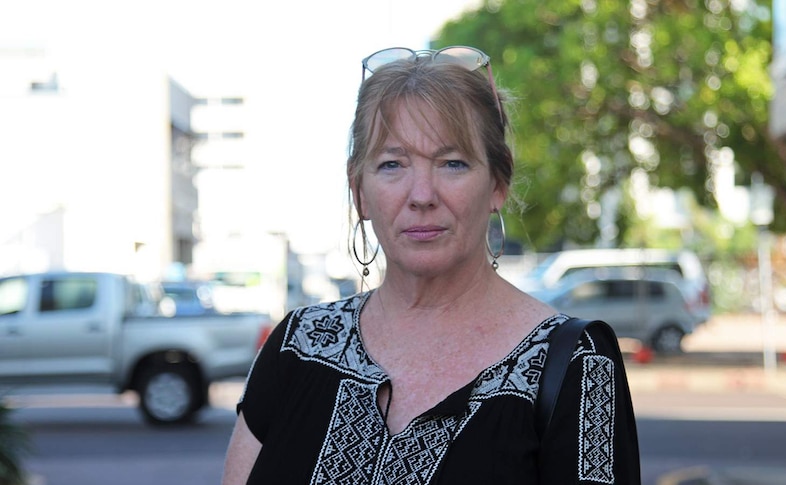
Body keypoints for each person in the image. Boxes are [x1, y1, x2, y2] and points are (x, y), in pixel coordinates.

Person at [222, 45, 640, 485]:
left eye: (452, 163)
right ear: (359, 191)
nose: (421, 194)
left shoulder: (575, 362)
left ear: (498, 183)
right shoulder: (297, 345)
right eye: (392, 164)